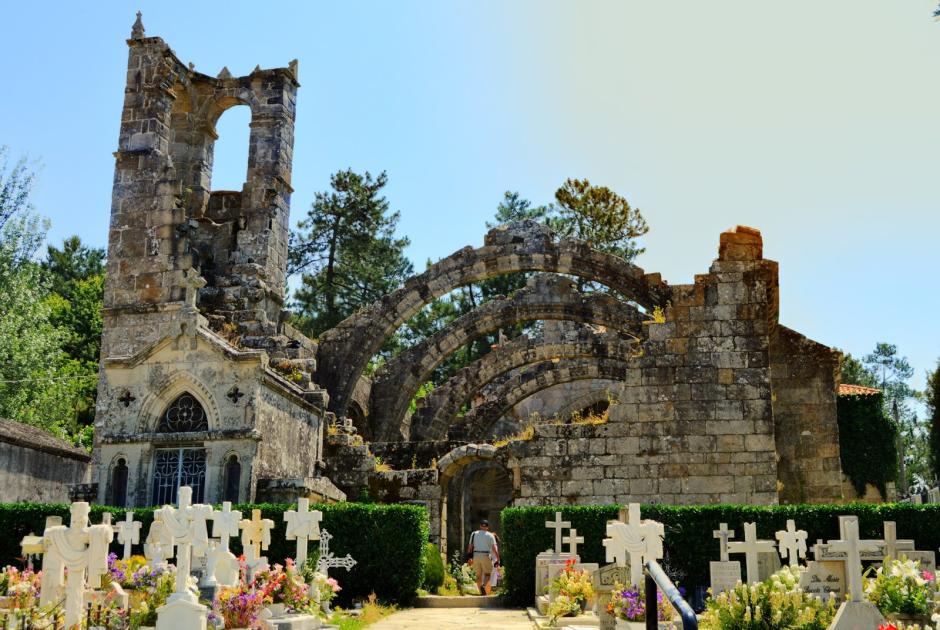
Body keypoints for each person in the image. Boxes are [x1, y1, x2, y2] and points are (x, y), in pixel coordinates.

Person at [466, 519, 499, 595]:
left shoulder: (474, 534)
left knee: (478, 576)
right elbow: (494, 548)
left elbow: (470, 547)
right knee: (488, 574)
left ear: (480, 526)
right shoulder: (490, 535)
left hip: (476, 555)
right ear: (487, 527)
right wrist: (498, 558)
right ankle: (483, 586)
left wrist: (469, 558)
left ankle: (481, 593)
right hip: (486, 555)